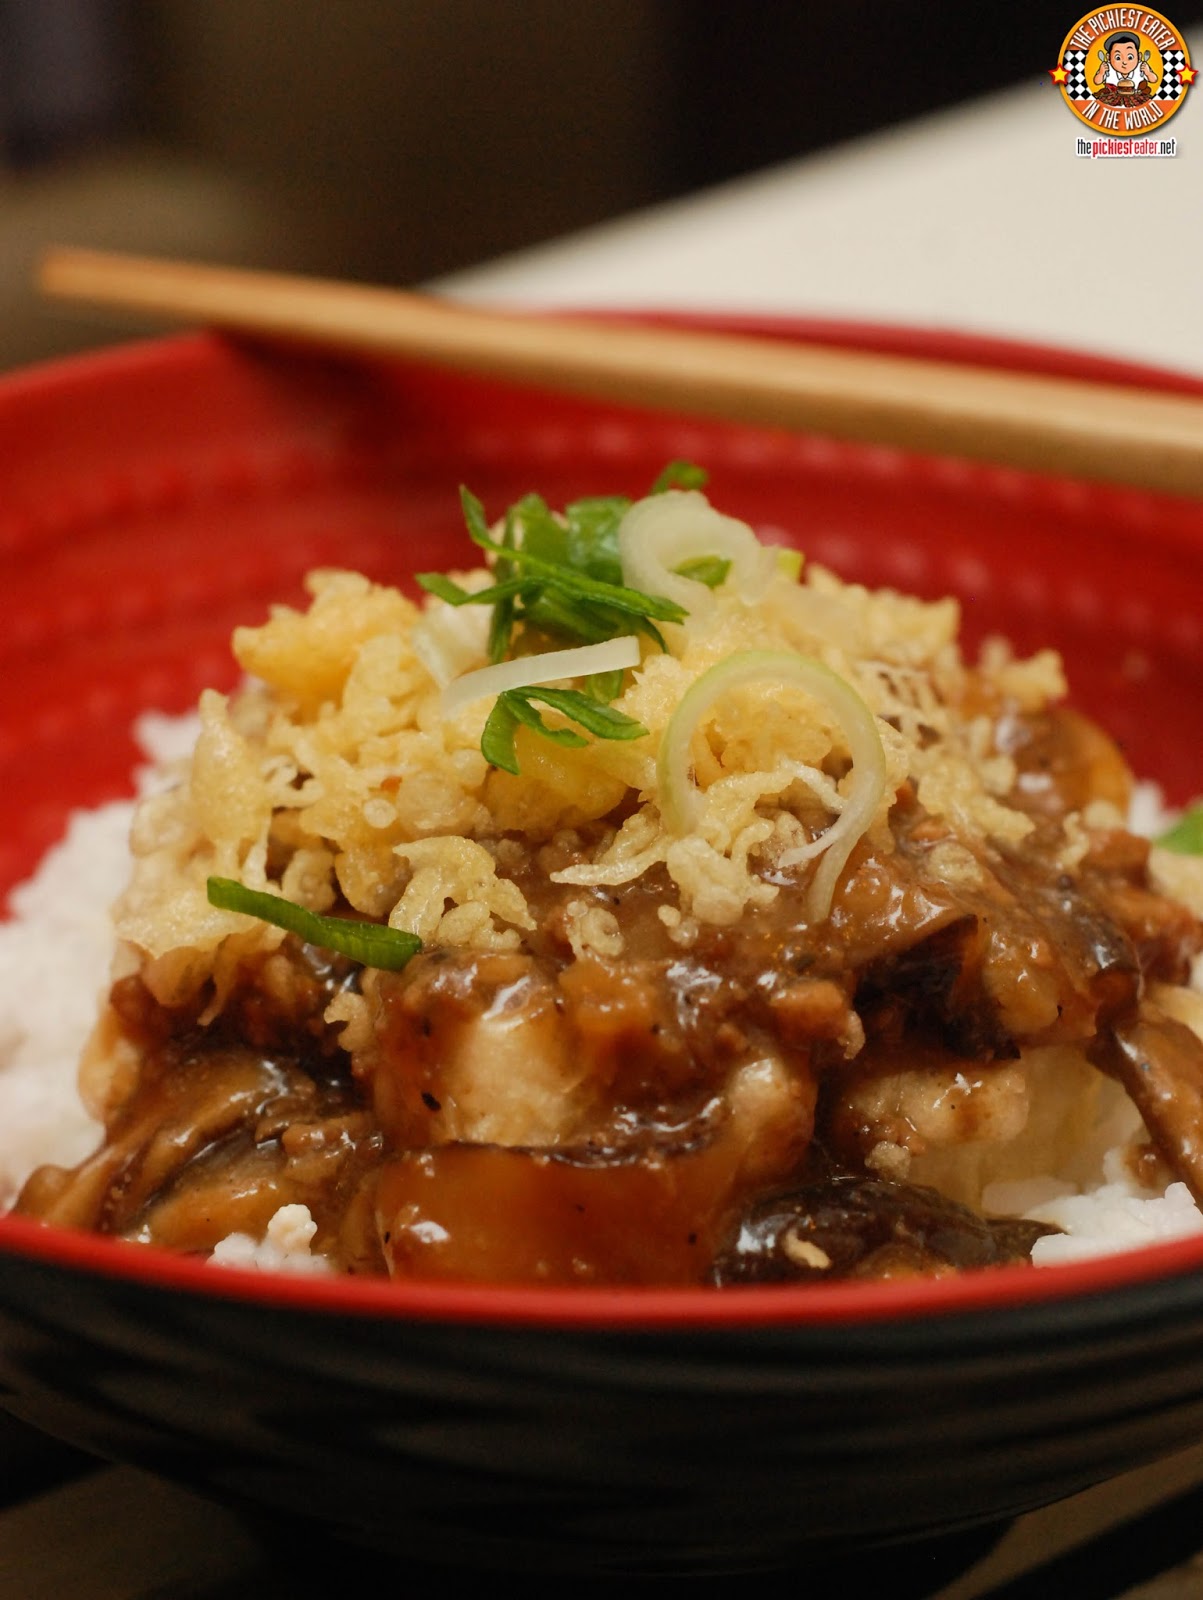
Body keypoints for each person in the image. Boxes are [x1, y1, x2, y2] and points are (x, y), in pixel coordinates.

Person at [1092, 31, 1158, 105]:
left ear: (1139, 56)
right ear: (1108, 57)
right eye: (1118, 57)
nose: (1124, 62)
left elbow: (1154, 80)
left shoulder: (1142, 66)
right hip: (1112, 99)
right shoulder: (1106, 67)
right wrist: (1101, 73)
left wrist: (1148, 73)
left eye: (1130, 57)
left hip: (1137, 99)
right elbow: (1097, 82)